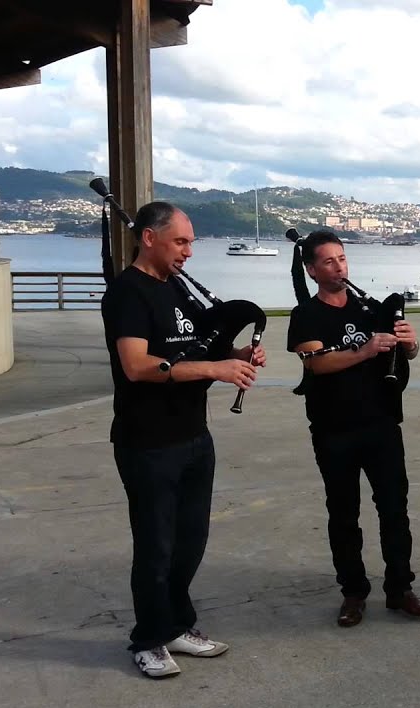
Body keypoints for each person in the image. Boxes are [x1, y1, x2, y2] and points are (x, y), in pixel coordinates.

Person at [100, 201, 267, 678]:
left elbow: (198, 348)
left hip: (194, 435)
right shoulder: (127, 293)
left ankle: (176, 625)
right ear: (149, 238)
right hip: (147, 442)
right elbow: (137, 366)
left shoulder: (176, 287)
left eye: (190, 242)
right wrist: (215, 368)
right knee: (155, 546)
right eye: (180, 241)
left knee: (190, 542)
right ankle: (148, 639)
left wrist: (238, 355)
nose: (188, 252)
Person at [286, 229, 420, 628]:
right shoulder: (306, 315)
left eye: (342, 259)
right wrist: (366, 349)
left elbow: (405, 354)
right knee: (343, 513)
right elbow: (317, 363)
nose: (339, 268)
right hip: (333, 428)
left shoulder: (370, 309)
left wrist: (410, 343)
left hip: (382, 423)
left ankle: (400, 588)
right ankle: (353, 593)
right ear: (312, 270)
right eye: (329, 261)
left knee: (394, 509)